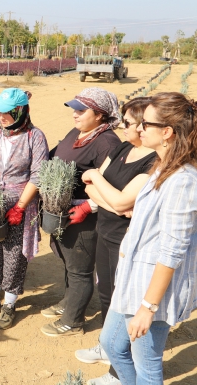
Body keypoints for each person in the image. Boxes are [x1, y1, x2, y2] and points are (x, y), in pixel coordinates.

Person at [100, 92, 197, 384]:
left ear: (166, 132)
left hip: (151, 290)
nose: (139, 128)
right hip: (133, 280)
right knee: (112, 344)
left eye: (146, 124)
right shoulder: (161, 166)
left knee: (147, 365)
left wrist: (148, 308)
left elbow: (171, 252)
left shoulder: (183, 180)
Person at [75, 98, 156, 385]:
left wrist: (98, 177)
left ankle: (118, 372)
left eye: (128, 123)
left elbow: (112, 193)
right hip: (106, 232)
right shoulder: (123, 147)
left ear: (144, 126)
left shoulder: (153, 161)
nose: (122, 127)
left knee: (126, 305)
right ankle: (108, 348)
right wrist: (115, 203)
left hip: (127, 243)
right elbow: (93, 191)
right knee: (108, 294)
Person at [42, 87, 122, 337]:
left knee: (80, 268)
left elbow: (114, 184)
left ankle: (73, 322)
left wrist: (88, 207)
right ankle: (69, 303)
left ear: (99, 115)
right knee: (69, 262)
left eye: (81, 110)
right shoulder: (78, 132)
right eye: (74, 109)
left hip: (86, 217)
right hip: (63, 210)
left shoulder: (107, 142)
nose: (74, 114)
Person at [0, 88, 49, 329]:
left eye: (8, 112)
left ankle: (10, 303)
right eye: (0, 111)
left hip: (19, 204)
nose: (2, 116)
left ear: (21, 111)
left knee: (14, 255)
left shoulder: (35, 137)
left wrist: (20, 207)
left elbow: (37, 175)